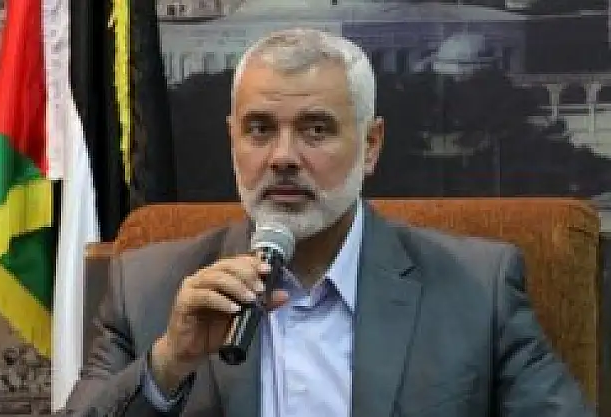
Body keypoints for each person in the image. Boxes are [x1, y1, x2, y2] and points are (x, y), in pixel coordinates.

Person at [55, 28, 595, 417]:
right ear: (232, 141)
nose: (283, 157)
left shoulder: (477, 289)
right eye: (260, 129)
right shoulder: (147, 288)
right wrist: (168, 365)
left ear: (371, 146)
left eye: (316, 129)